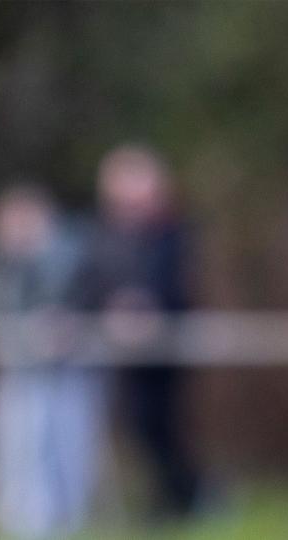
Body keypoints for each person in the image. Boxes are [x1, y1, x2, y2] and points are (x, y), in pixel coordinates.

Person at [0, 183, 106, 538]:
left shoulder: (73, 253)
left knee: (68, 449)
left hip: (68, 370)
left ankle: (66, 521)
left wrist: (64, 328)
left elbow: (87, 304)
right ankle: (19, 522)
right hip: (17, 371)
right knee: (16, 449)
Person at [76, 144, 199, 519]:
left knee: (161, 423)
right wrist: (112, 309)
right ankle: (171, 498)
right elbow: (90, 283)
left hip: (165, 344)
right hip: (120, 348)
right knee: (136, 426)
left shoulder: (172, 231)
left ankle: (185, 497)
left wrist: (147, 308)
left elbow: (179, 284)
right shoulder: (103, 233)